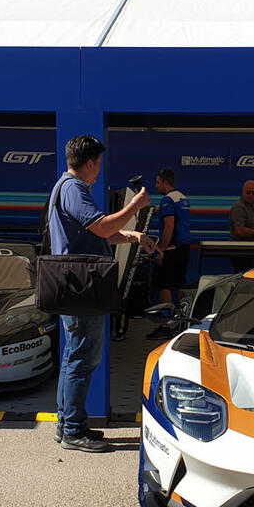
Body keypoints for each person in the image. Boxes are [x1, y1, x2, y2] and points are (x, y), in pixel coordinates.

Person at [49, 134, 157, 452]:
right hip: (82, 287)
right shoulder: (74, 189)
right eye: (100, 163)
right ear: (92, 162)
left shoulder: (67, 188)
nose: (100, 170)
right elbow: (103, 228)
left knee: (74, 356)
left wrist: (134, 237)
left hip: (75, 285)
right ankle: (72, 430)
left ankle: (67, 423)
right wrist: (135, 206)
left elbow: (100, 235)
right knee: (83, 356)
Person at [147, 168, 192, 340]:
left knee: (163, 285)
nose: (156, 186)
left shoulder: (167, 200)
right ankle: (180, 324)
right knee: (178, 285)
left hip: (172, 249)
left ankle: (165, 326)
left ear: (166, 182)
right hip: (184, 248)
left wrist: (161, 250)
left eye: (158, 182)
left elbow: (169, 226)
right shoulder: (183, 198)